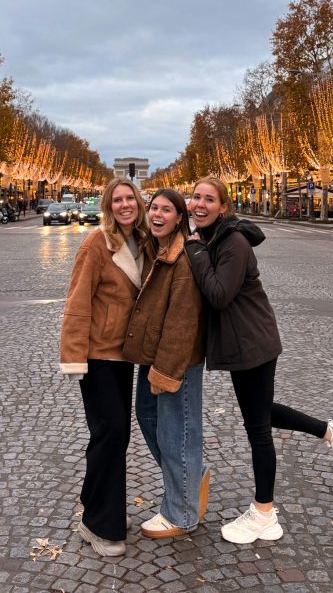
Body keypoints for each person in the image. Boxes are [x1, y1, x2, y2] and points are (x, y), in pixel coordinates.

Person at [185, 177, 333, 545]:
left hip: (252, 343)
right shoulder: (216, 237)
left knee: (258, 428)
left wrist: (194, 250)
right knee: (259, 412)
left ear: (223, 207)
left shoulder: (230, 241)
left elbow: (218, 295)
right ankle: (332, 431)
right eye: (196, 197)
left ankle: (265, 513)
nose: (200, 204)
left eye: (209, 199)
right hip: (246, 340)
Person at [59, 177, 149, 558]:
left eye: (130, 199)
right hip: (96, 355)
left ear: (139, 203)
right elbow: (78, 300)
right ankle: (100, 525)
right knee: (110, 433)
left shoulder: (143, 241)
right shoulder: (97, 243)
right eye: (118, 200)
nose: (125, 205)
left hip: (124, 355)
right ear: (108, 206)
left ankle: (98, 508)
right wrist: (73, 356)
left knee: (115, 435)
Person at [123, 188, 209, 539]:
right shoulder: (155, 246)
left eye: (166, 210)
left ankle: (182, 513)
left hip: (176, 360)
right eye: (153, 207)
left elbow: (183, 320)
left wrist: (167, 370)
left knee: (178, 433)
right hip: (154, 355)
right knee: (149, 417)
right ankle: (191, 479)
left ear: (179, 217)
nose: (157, 214)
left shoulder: (183, 255)